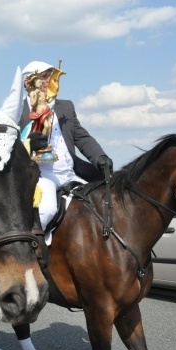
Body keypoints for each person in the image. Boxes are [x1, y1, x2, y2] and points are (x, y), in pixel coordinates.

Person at [20, 61, 113, 230]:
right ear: (28, 82)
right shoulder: (18, 110)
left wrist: (100, 157)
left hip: (71, 173)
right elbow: (9, 147)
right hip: (41, 176)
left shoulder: (65, 106)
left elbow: (81, 136)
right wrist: (28, 144)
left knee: (107, 203)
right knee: (47, 210)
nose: (48, 80)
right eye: (44, 76)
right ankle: (32, 250)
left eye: (49, 75)